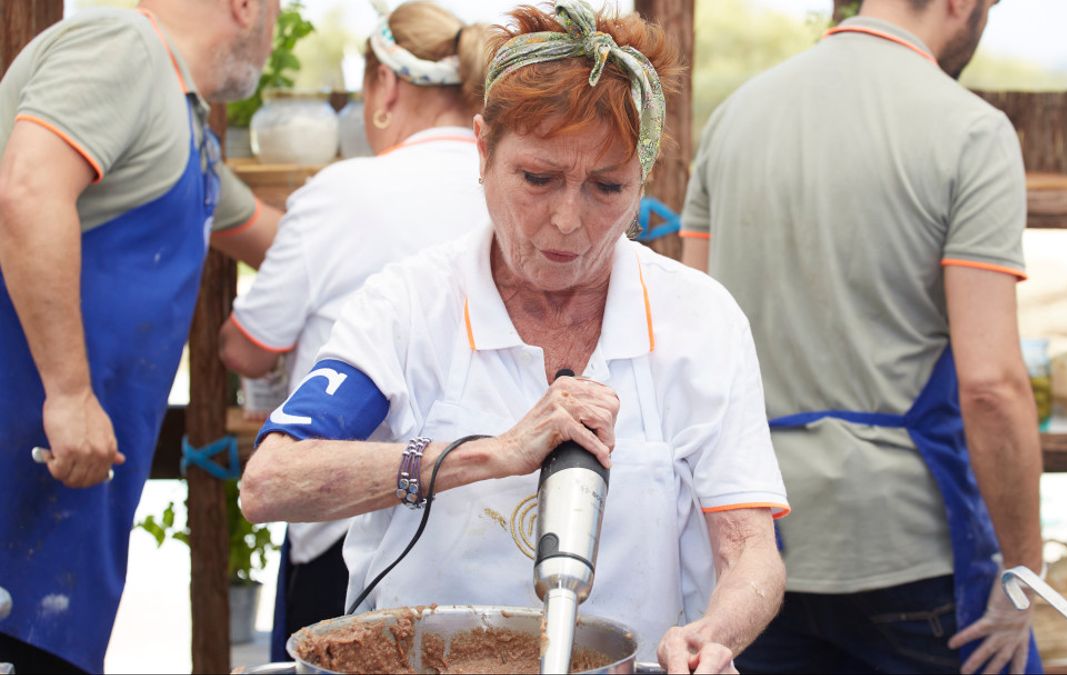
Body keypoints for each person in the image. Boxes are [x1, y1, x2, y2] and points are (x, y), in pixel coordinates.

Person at [239, 2, 789, 672]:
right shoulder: (409, 307)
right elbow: (271, 483)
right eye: (538, 178)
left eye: (607, 187)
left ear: (643, 179)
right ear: (482, 150)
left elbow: (749, 549)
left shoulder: (698, 320)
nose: (567, 221)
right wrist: (489, 454)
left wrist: (715, 632)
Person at [680, 0, 1044, 673]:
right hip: (903, 549)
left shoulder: (733, 119)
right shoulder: (971, 132)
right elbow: (990, 385)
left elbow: (692, 339)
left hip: (751, 541)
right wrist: (1024, 573)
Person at [0, 0, 283, 671]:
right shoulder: (122, 48)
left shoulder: (183, 120)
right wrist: (69, 393)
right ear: (246, 7)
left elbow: (279, 240)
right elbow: (27, 191)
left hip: (60, 506)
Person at [217, 0, 491, 660]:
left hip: (351, 529)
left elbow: (249, 348)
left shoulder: (342, 193)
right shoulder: (513, 186)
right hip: (494, 520)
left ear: (384, 86)